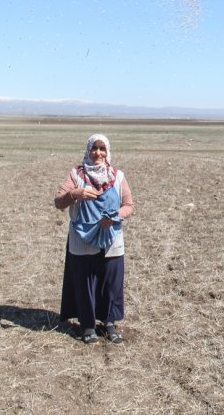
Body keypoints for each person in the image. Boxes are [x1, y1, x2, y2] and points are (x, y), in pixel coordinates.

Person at [54, 134, 134, 343]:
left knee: (110, 282)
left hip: (111, 239)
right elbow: (58, 203)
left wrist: (115, 217)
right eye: (94, 148)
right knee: (85, 282)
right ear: (88, 150)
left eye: (102, 149)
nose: (98, 153)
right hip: (82, 239)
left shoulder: (117, 176)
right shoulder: (76, 175)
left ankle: (109, 323)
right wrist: (75, 194)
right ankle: (87, 325)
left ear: (108, 152)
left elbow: (128, 205)